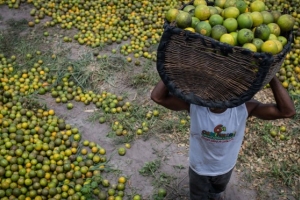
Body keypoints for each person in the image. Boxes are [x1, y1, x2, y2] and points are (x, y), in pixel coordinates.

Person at [150, 77, 295, 200]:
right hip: (199, 169)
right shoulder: (195, 105)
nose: (218, 96)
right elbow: (158, 97)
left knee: (216, 192)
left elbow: (287, 111)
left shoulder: (244, 108)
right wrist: (170, 71)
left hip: (225, 169)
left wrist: (272, 77)